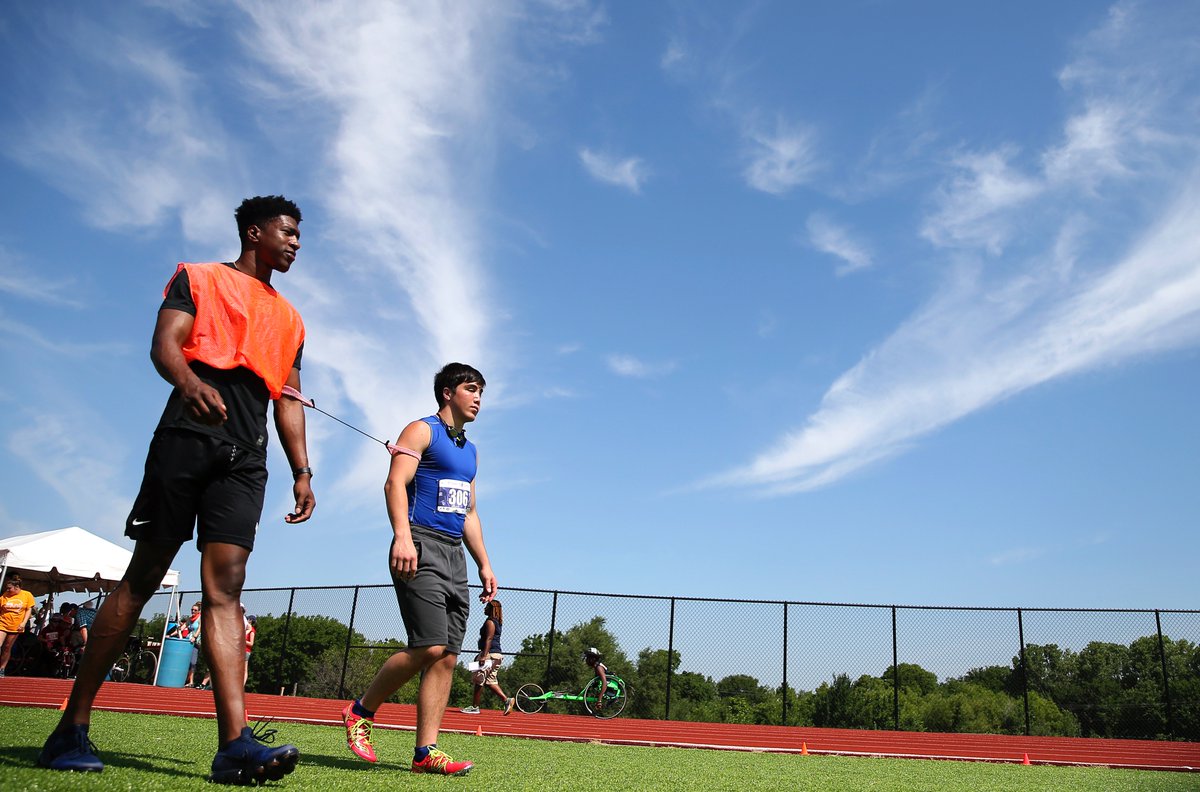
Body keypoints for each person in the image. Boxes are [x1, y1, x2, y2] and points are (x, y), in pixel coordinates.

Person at [37, 195, 316, 784]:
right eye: (287, 232)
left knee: (227, 587)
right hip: (188, 435)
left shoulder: (291, 319)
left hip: (248, 455)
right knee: (145, 575)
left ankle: (234, 745)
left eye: (298, 235)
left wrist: (302, 470)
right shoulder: (198, 277)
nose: (295, 242)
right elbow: (166, 345)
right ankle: (71, 726)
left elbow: (288, 399)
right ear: (253, 231)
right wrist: (189, 383)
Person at [342, 363, 497, 776]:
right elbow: (395, 484)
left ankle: (425, 752)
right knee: (428, 645)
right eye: (470, 388)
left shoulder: (471, 451)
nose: (478, 397)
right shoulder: (420, 430)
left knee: (446, 656)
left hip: (454, 555)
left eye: (481, 390)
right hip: (419, 542)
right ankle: (360, 712)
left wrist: (484, 563)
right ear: (448, 393)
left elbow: (470, 511)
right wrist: (402, 536)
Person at [460, 599, 513, 715]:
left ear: (492, 609)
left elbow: (488, 639)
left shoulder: (490, 622)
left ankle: (475, 707)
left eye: (487, 607)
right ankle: (506, 700)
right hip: (496, 655)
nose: (485, 609)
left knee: (479, 679)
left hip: (489, 655)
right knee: (490, 681)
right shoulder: (498, 622)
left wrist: (483, 656)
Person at [0, 574, 37, 677]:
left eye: (9, 588)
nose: (7, 590)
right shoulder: (5, 595)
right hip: (2, 623)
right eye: (6, 588)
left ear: (17, 588)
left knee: (7, 647)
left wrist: (24, 622)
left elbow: (29, 609)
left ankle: (2, 668)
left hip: (16, 626)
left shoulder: (26, 595)